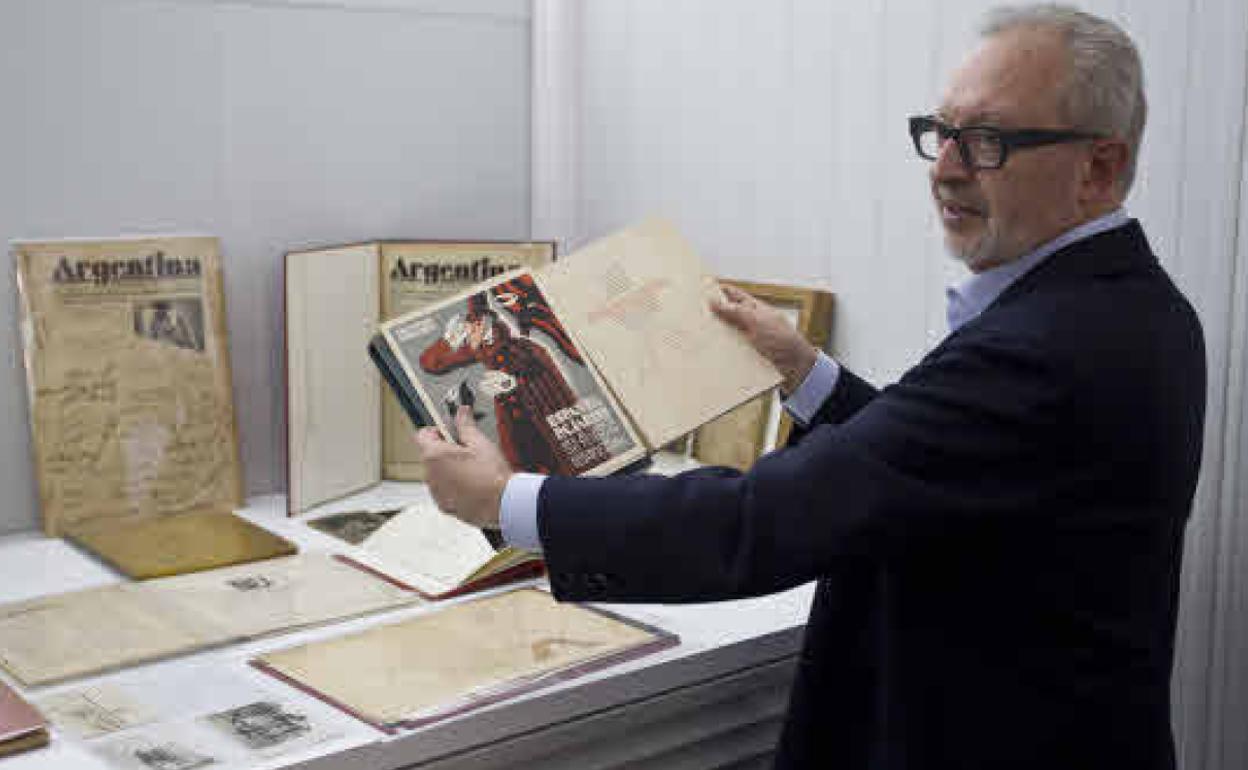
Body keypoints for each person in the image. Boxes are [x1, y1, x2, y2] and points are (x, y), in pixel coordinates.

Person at [415, 5, 1206, 768]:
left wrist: (506, 501)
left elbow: (758, 520)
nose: (946, 169)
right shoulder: (1137, 306)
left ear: (1099, 169)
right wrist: (804, 371)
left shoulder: (1043, 347)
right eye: (942, 134)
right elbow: (945, 470)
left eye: (988, 142)